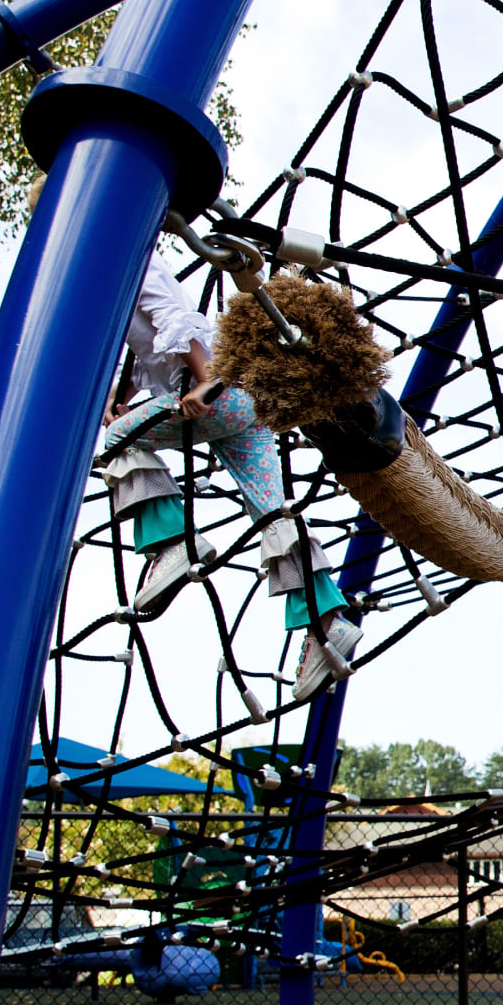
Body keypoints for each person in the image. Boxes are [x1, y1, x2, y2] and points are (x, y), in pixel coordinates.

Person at [97, 240, 354, 703]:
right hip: (244, 406)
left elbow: (175, 316)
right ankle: (327, 624)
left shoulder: (131, 260)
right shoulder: (114, 279)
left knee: (115, 443)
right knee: (273, 514)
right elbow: (149, 347)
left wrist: (207, 379)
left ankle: (174, 541)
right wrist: (125, 393)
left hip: (218, 395)